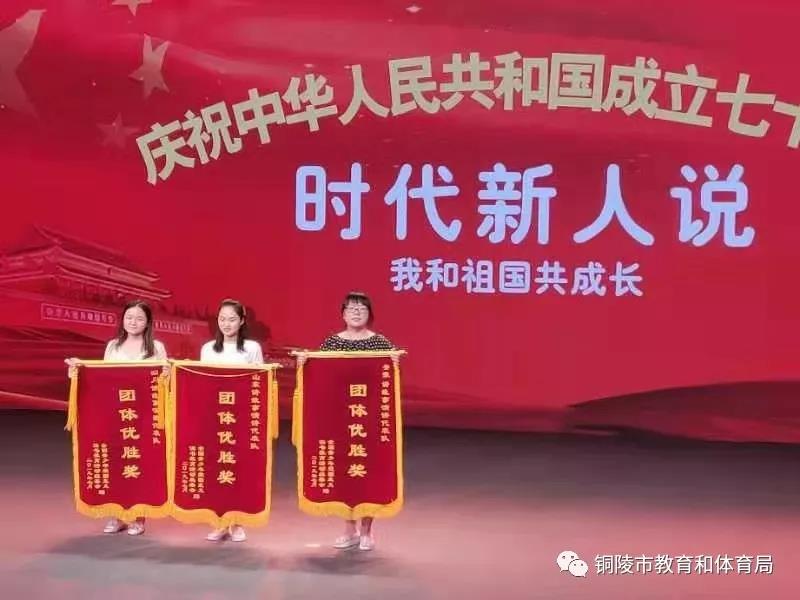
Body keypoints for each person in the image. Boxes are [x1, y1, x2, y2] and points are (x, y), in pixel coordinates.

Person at [298, 291, 397, 551]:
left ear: (369, 314)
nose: (356, 312)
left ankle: (367, 531)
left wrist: (394, 362)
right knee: (345, 474)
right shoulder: (332, 343)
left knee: (368, 474)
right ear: (343, 314)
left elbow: (388, 379)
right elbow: (320, 375)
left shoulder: (380, 343)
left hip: (369, 420)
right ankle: (349, 529)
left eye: (362, 308)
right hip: (340, 419)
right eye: (352, 308)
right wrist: (305, 362)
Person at [65, 300, 168, 536]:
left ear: (148, 323)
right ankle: (116, 515)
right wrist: (79, 369)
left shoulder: (156, 347)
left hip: (144, 414)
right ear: (123, 320)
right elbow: (103, 377)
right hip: (116, 412)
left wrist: (166, 373)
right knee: (116, 462)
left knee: (140, 463)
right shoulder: (113, 345)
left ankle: (138, 517)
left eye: (139, 318)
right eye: (129, 317)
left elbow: (163, 381)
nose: (133, 322)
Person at [200, 299, 264, 542]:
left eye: (232, 319)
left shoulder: (252, 348)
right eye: (222, 319)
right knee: (215, 468)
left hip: (241, 416)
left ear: (242, 321)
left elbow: (259, 380)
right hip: (215, 417)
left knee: (238, 468)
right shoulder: (208, 349)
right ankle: (218, 522)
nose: (227, 324)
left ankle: (236, 523)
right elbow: (202, 380)